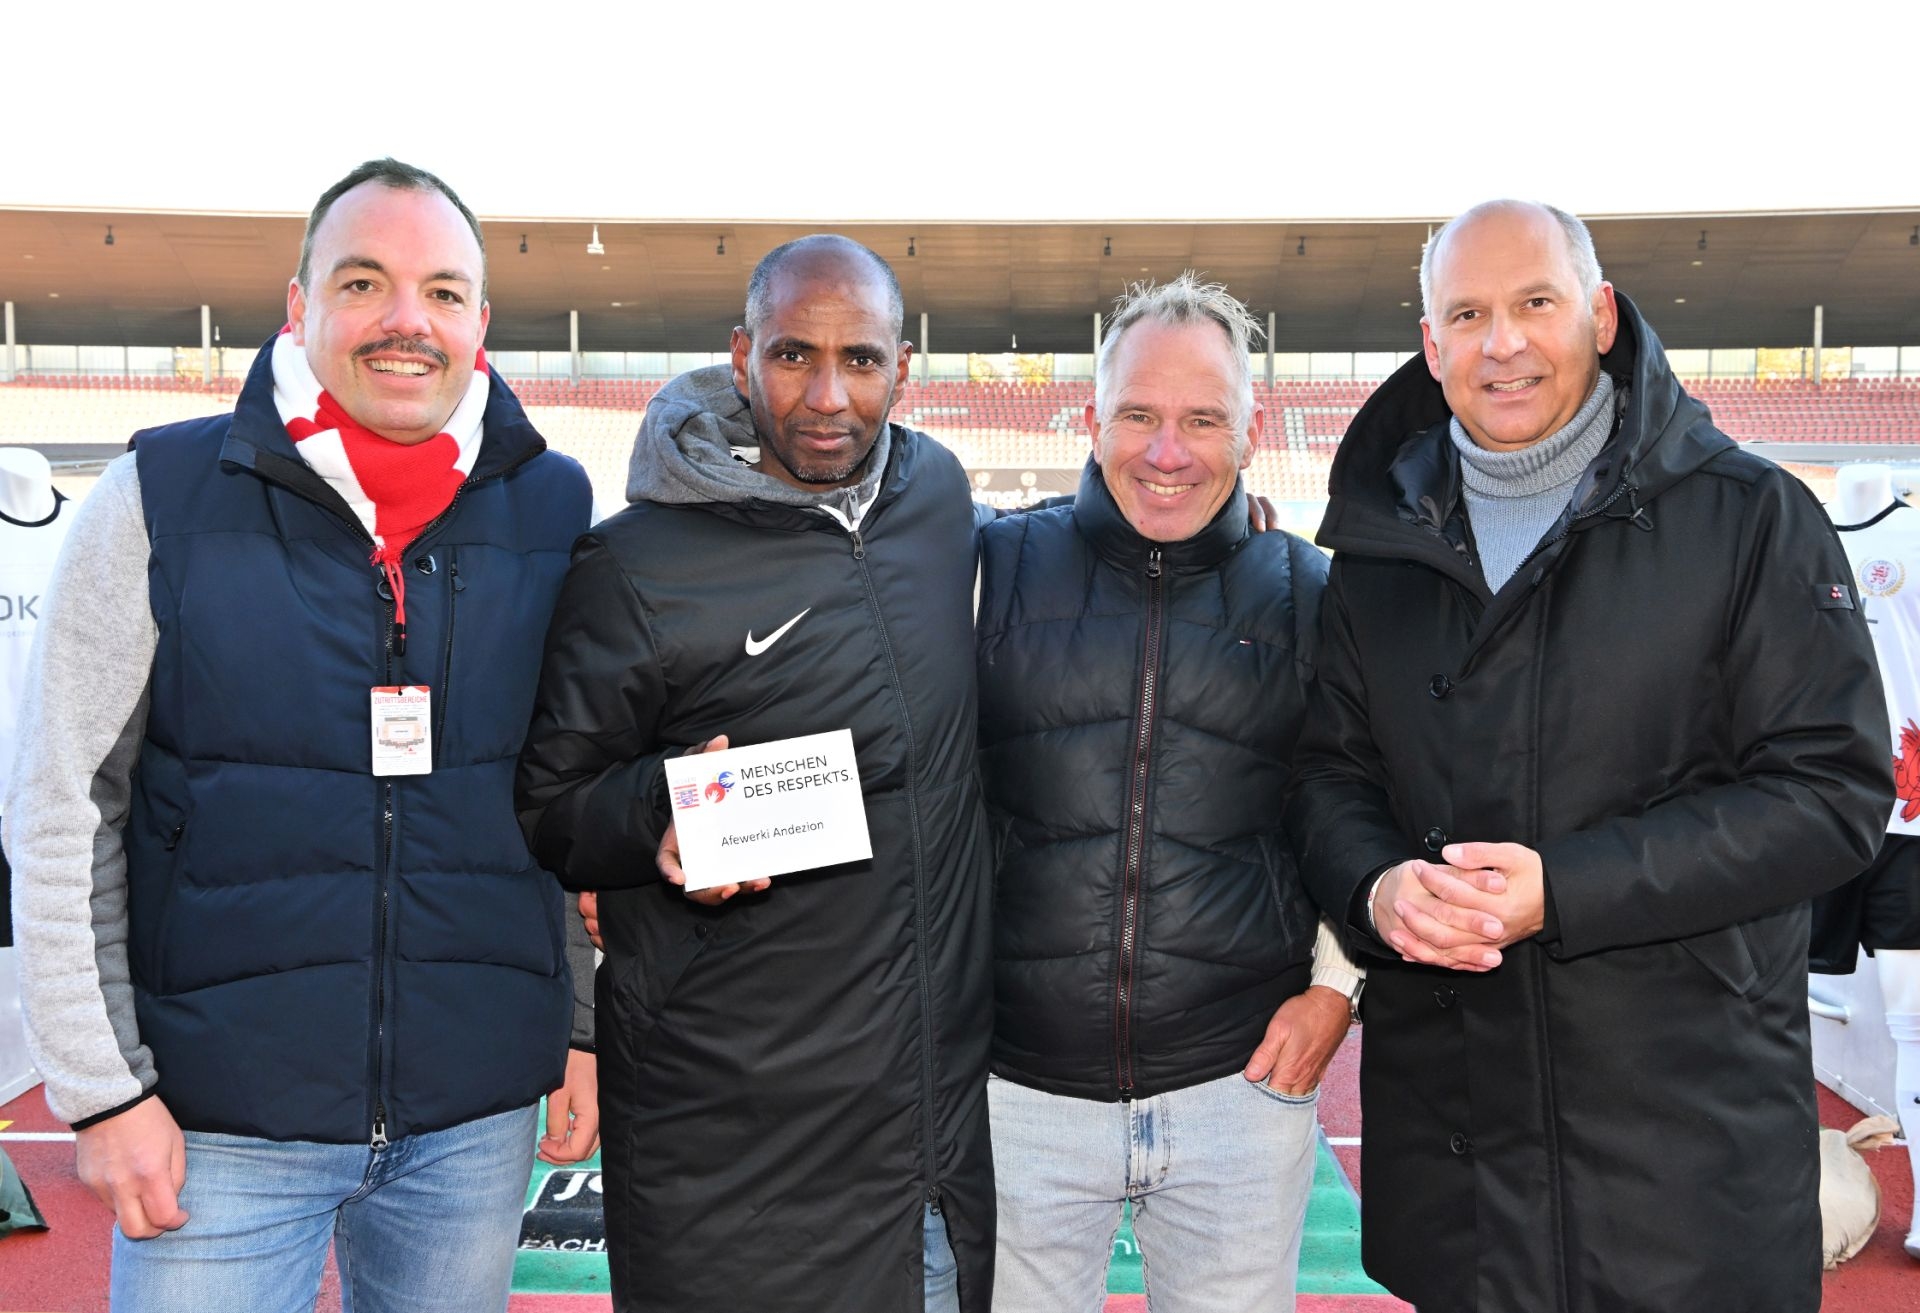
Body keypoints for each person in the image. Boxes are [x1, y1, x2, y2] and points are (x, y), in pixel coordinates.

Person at [5, 158, 599, 1312]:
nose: (405, 320)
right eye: (363, 282)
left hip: (472, 1120)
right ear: (299, 304)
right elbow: (64, 801)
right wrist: (102, 1089)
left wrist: (577, 1026)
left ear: (480, 319)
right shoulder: (158, 495)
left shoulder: (555, 506)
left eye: (440, 291)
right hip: (215, 1123)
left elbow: (563, 796)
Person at [1284, 199, 1892, 1312]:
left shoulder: (1751, 516)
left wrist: (1565, 889)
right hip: (1463, 1181)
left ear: (1601, 315)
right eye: (1467, 314)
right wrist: (1376, 888)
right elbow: (1328, 776)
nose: (1502, 342)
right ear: (1431, 344)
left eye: (1535, 302)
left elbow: (1831, 793)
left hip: (1684, 1179)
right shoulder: (1375, 552)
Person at [516, 234, 991, 1313]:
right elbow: (549, 804)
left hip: (922, 1147)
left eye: (860, 359)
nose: (827, 396)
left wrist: (1211, 525)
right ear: (741, 357)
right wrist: (658, 811)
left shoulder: (937, 493)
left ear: (902, 366)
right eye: (792, 355)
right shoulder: (636, 561)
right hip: (725, 1148)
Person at [974, 274, 1361, 1312]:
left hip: (1240, 1090)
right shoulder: (991, 569)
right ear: (1092, 418)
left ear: (1252, 432)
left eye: (1203, 419)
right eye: (1140, 415)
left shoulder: (1312, 594)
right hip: (1016, 1093)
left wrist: (1338, 987)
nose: (1167, 451)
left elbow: (1362, 803)